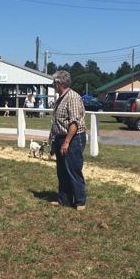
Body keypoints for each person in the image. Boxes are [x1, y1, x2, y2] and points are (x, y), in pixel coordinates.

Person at [48, 70, 87, 211]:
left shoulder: (73, 97)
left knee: (73, 169)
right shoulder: (61, 98)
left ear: (59, 83)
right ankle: (63, 199)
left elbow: (74, 123)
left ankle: (80, 201)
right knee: (62, 171)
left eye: (54, 83)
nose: (53, 85)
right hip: (61, 137)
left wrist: (66, 142)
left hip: (73, 138)